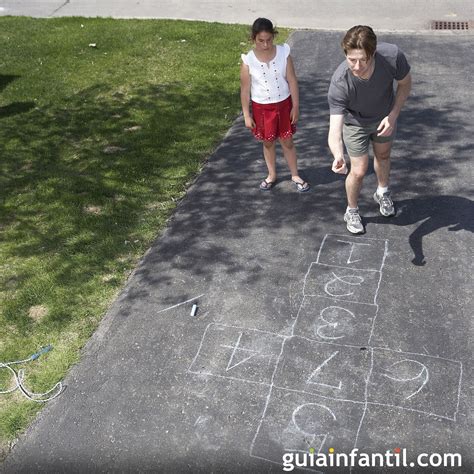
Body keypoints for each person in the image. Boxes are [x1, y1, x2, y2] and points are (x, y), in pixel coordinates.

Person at [328, 25, 412, 234]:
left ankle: (382, 193)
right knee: (358, 170)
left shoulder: (392, 56)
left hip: (385, 117)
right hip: (355, 123)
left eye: (362, 60)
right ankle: (352, 210)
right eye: (351, 59)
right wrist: (338, 155)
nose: (356, 66)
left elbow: (405, 84)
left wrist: (393, 115)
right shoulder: (340, 83)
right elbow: (334, 130)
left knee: (383, 155)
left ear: (373, 53)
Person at [240, 18, 309, 192]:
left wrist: (296, 106)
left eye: (269, 40)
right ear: (253, 39)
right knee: (268, 142)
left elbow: (292, 80)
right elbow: (245, 90)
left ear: (273, 36)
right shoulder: (248, 60)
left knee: (287, 141)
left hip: (284, 104)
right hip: (262, 108)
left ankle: (295, 174)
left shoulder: (283, 53)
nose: (265, 44)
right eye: (260, 41)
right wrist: (247, 115)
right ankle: (272, 175)